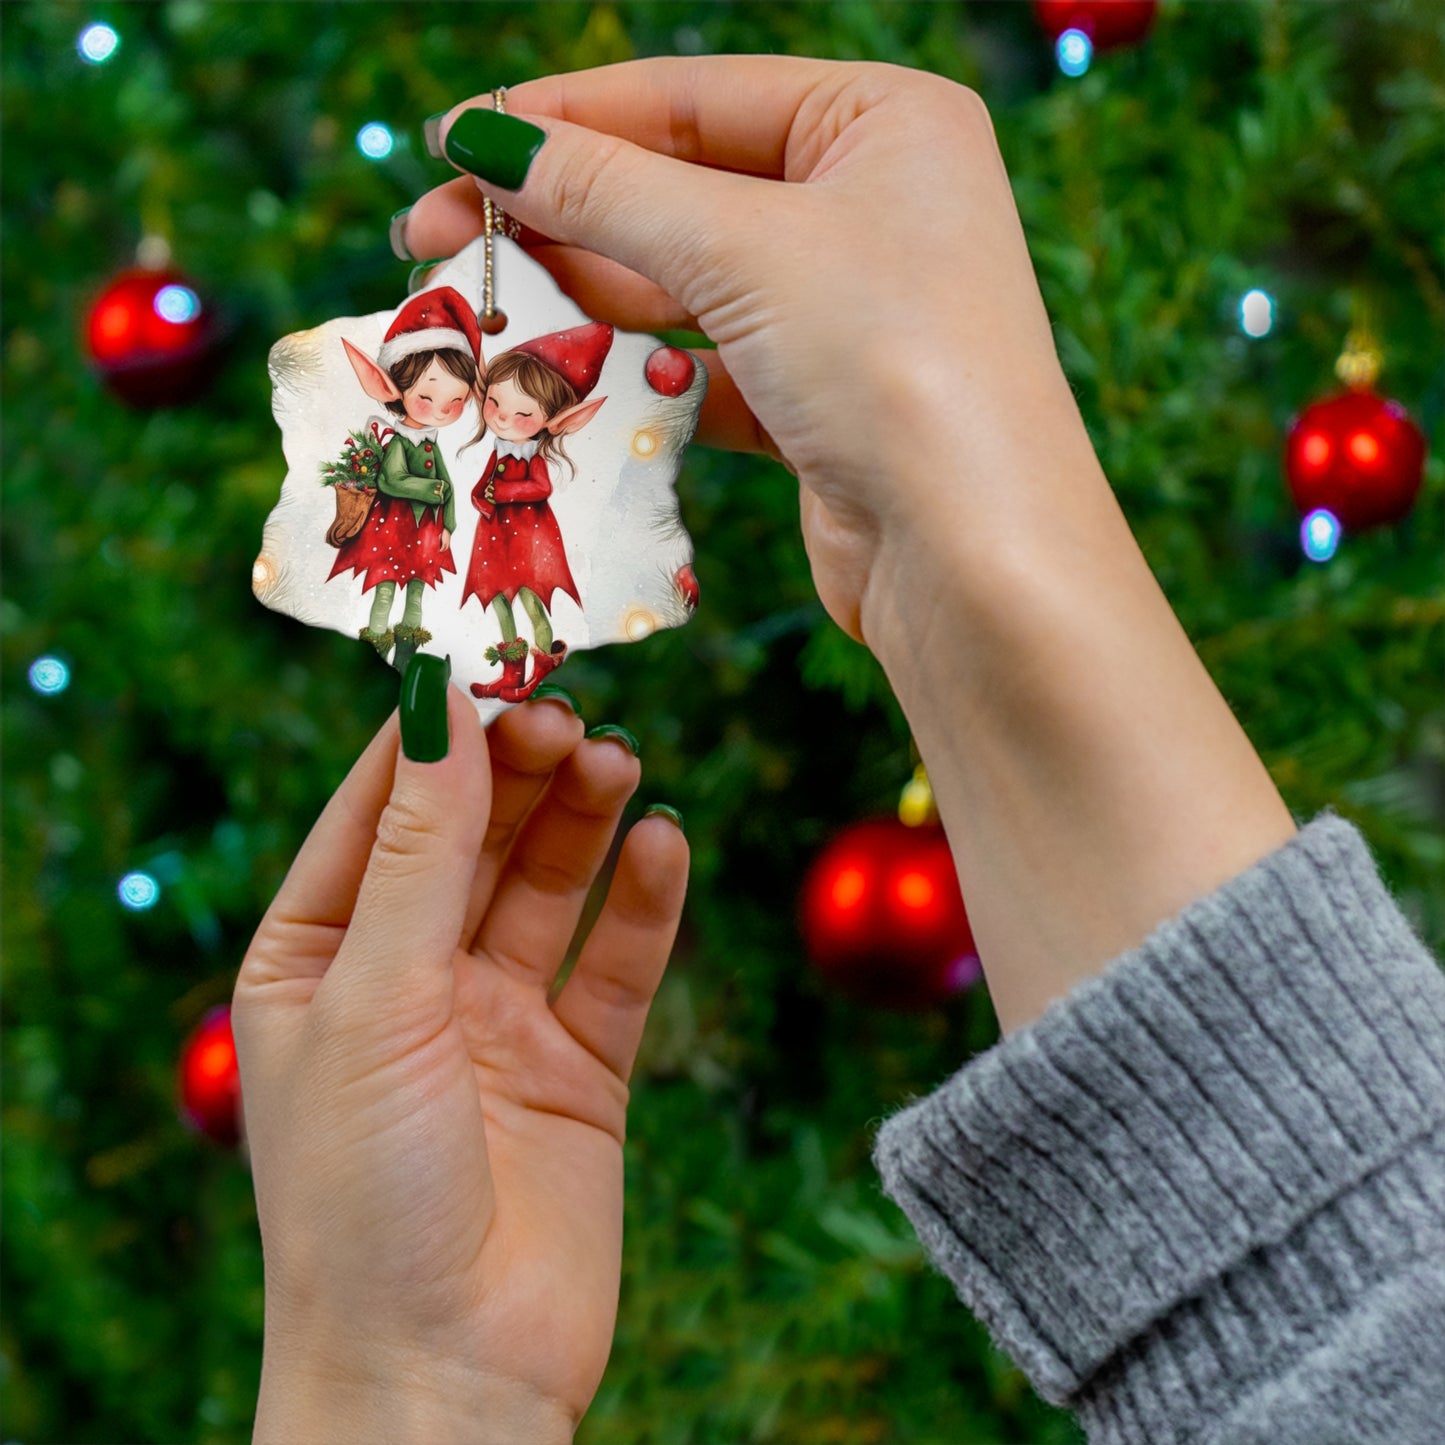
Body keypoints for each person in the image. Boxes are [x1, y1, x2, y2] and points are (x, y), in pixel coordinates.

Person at [232, 56, 1445, 1444]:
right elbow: (1354, 1329)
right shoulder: (394, 428)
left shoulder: (553, 440)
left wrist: (395, 1387)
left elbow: (1355, 1333)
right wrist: (415, 1383)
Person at [329, 287, 481, 668]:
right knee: (384, 592)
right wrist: (432, 489)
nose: (440, 411)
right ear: (397, 389)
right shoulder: (399, 442)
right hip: (392, 529)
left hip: (427, 531)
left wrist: (449, 525)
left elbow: (449, 487)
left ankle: (408, 654)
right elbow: (390, 480)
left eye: (454, 402)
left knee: (417, 593)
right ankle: (376, 654)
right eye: (427, 398)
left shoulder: (431, 444)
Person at [460, 323, 612, 701]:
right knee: (498, 600)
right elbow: (482, 486)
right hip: (495, 538)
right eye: (494, 402)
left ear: (553, 420)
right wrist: (481, 498)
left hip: (529, 539)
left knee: (531, 599)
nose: (502, 418)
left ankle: (541, 665)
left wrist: (503, 492)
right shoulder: (499, 450)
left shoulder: (532, 457)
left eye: (523, 414)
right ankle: (511, 671)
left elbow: (541, 488)